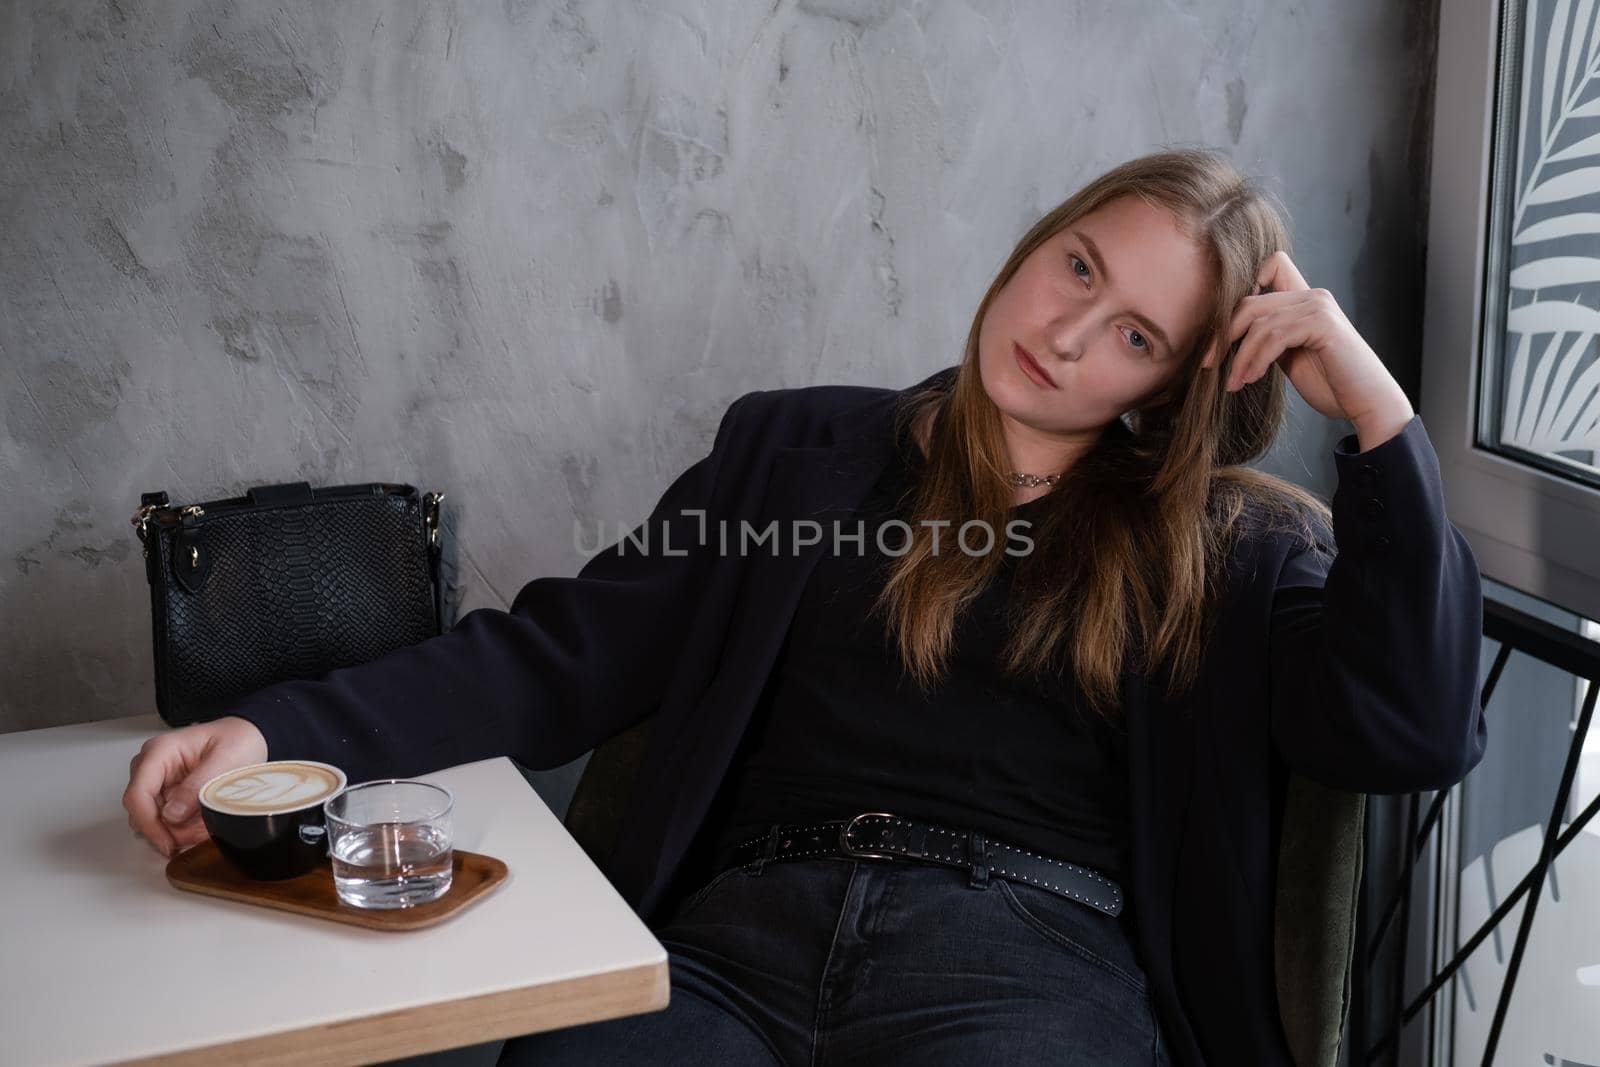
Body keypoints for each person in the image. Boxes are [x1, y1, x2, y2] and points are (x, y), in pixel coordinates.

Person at [122, 147, 1487, 1066]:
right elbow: (562, 654)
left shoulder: (1228, 550)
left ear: (1169, 386)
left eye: (1136, 334)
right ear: (1037, 245)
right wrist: (278, 737)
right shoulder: (798, 452)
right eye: (1079, 267)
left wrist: (1378, 417)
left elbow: (1410, 728)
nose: (1069, 335)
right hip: (736, 946)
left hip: (1023, 969)